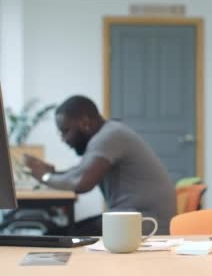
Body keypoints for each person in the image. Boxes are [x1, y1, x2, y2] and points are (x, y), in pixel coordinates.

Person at [25, 95, 176, 235]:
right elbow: (80, 171)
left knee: (56, 237)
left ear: (85, 123)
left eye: (65, 131)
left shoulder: (109, 136)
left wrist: (44, 176)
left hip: (148, 224)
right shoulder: (110, 132)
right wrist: (55, 173)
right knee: (57, 234)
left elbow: (82, 183)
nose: (64, 139)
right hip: (133, 218)